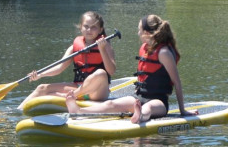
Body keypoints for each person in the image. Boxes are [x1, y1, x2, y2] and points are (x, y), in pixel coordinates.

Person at [65, 14, 197, 123]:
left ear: (146, 33)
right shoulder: (145, 48)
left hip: (158, 101)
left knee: (148, 108)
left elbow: (177, 83)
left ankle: (140, 116)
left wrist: (182, 110)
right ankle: (79, 112)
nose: (137, 33)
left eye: (139, 30)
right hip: (139, 97)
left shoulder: (164, 53)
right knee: (112, 105)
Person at [18, 11, 117, 108]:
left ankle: (71, 96)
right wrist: (40, 75)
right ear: (81, 27)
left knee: (101, 73)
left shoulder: (106, 46)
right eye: (86, 26)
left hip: (97, 92)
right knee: (42, 88)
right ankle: (18, 112)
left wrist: (102, 50)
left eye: (93, 27)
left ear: (100, 30)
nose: (89, 30)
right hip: (78, 87)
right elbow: (59, 68)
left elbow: (111, 71)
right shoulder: (74, 47)